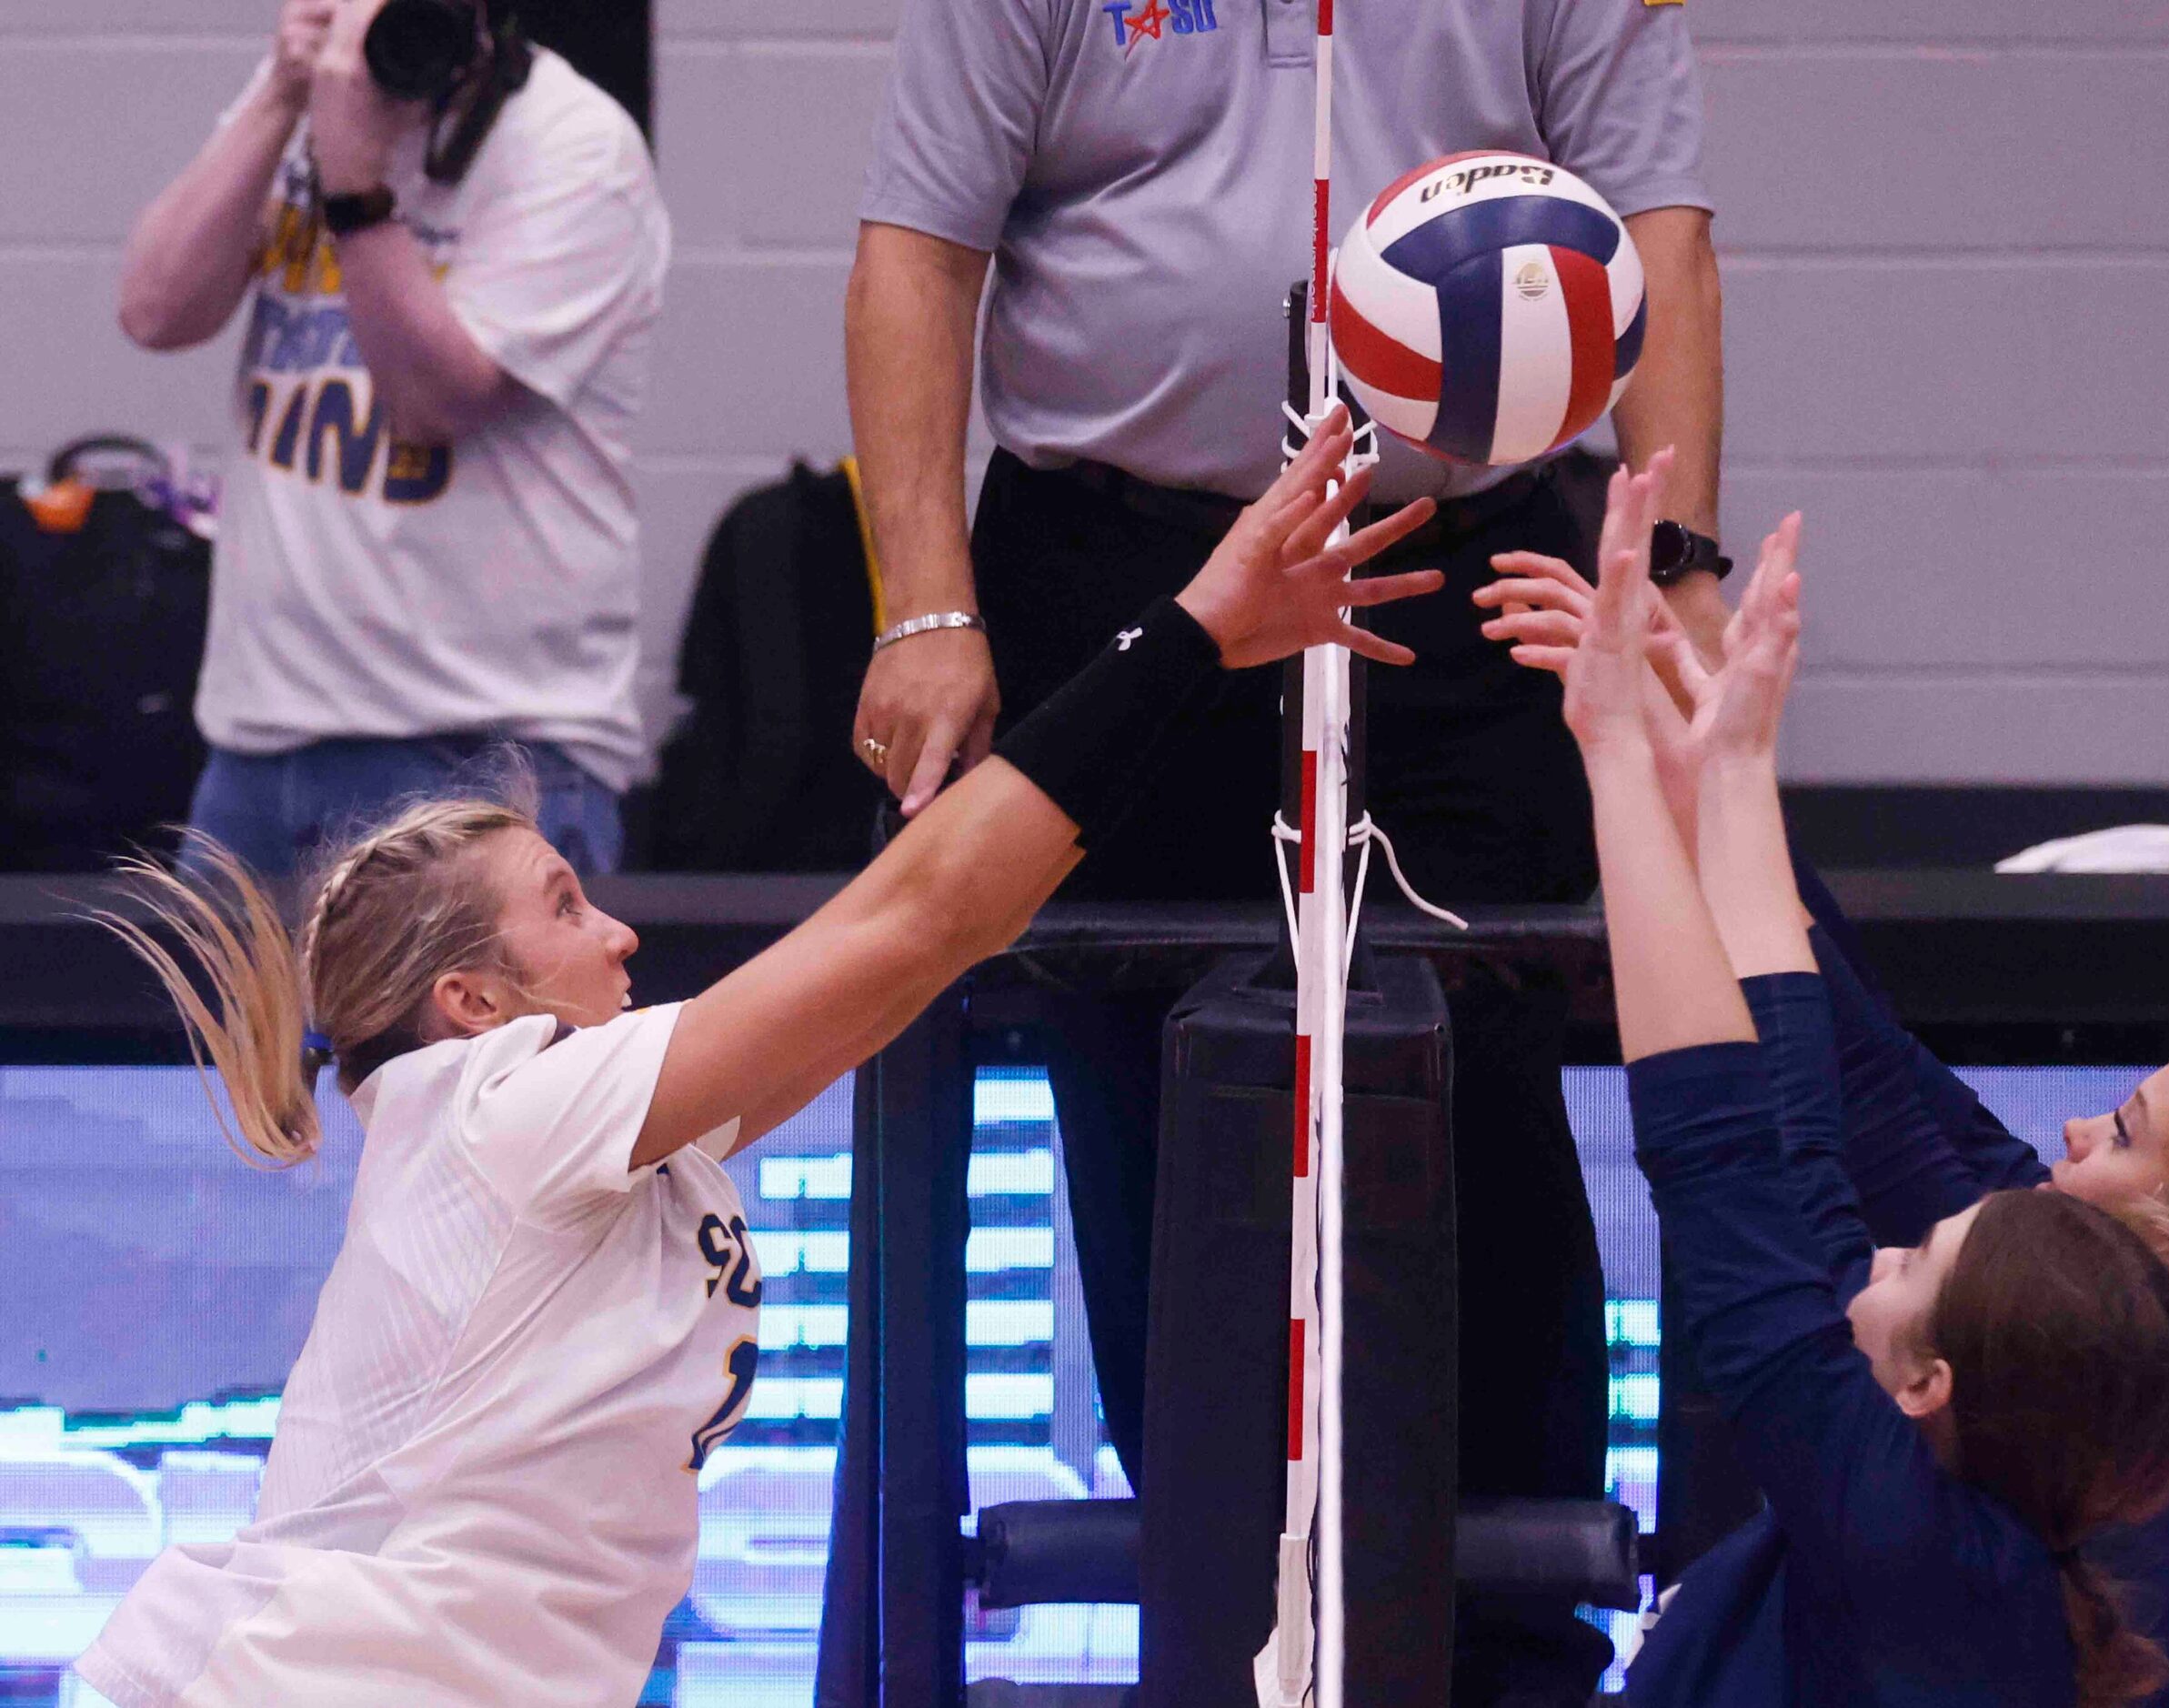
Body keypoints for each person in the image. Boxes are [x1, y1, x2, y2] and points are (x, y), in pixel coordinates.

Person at [71, 421, 1434, 1708]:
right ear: (472, 1000)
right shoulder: (504, 1106)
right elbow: (922, 913)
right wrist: (1189, 624)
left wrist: (1194, 664)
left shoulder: (582, 1138)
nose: (619, 928)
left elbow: (929, 940)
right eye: (563, 904)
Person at [849, 6, 1723, 1693]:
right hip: (1124, 570)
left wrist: (1674, 564)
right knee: (1137, 1077)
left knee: (1485, 1062)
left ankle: (1514, 1639)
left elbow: (1658, 239)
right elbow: (916, 253)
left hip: (1451, 560)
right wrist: (927, 605)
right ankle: (1213, 1613)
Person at [1479, 538, 2169, 1708]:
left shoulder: (1969, 1510)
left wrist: (1634, 758)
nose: (2070, 1135)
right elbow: (1860, 1084)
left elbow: (1754, 1172)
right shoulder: (2106, 1372)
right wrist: (1716, 769)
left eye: (2121, 1134)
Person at [1563, 457, 2169, 1706]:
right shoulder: (1967, 1527)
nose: (1872, 1255)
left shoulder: (1902, 1549)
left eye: (1909, 1263)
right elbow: (1797, 1151)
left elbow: (1722, 1164)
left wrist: (1616, 761)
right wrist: (1735, 768)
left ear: (1928, 1386)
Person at [117, 0, 668, 879]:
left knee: (477, 1026)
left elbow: (431, 401)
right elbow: (155, 309)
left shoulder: (575, 144)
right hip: (262, 743)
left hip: (484, 755)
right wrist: (278, 100)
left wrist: (356, 184)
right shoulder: (311, 101)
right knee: (232, 1025)